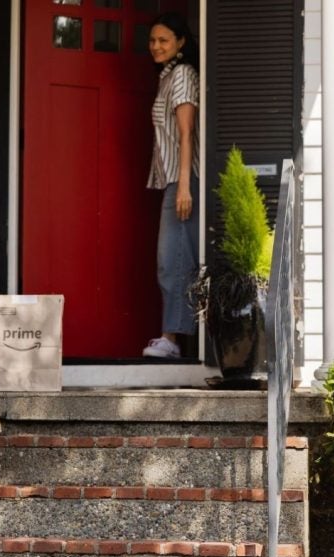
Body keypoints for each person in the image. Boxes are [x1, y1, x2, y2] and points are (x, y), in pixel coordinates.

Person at [142, 12, 201, 360]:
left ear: (180, 42)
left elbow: (186, 132)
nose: (156, 46)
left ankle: (171, 339)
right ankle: (173, 337)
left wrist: (183, 186)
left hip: (183, 180)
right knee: (171, 259)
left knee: (174, 259)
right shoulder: (168, 76)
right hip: (174, 180)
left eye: (163, 40)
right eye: (152, 40)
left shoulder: (182, 75)